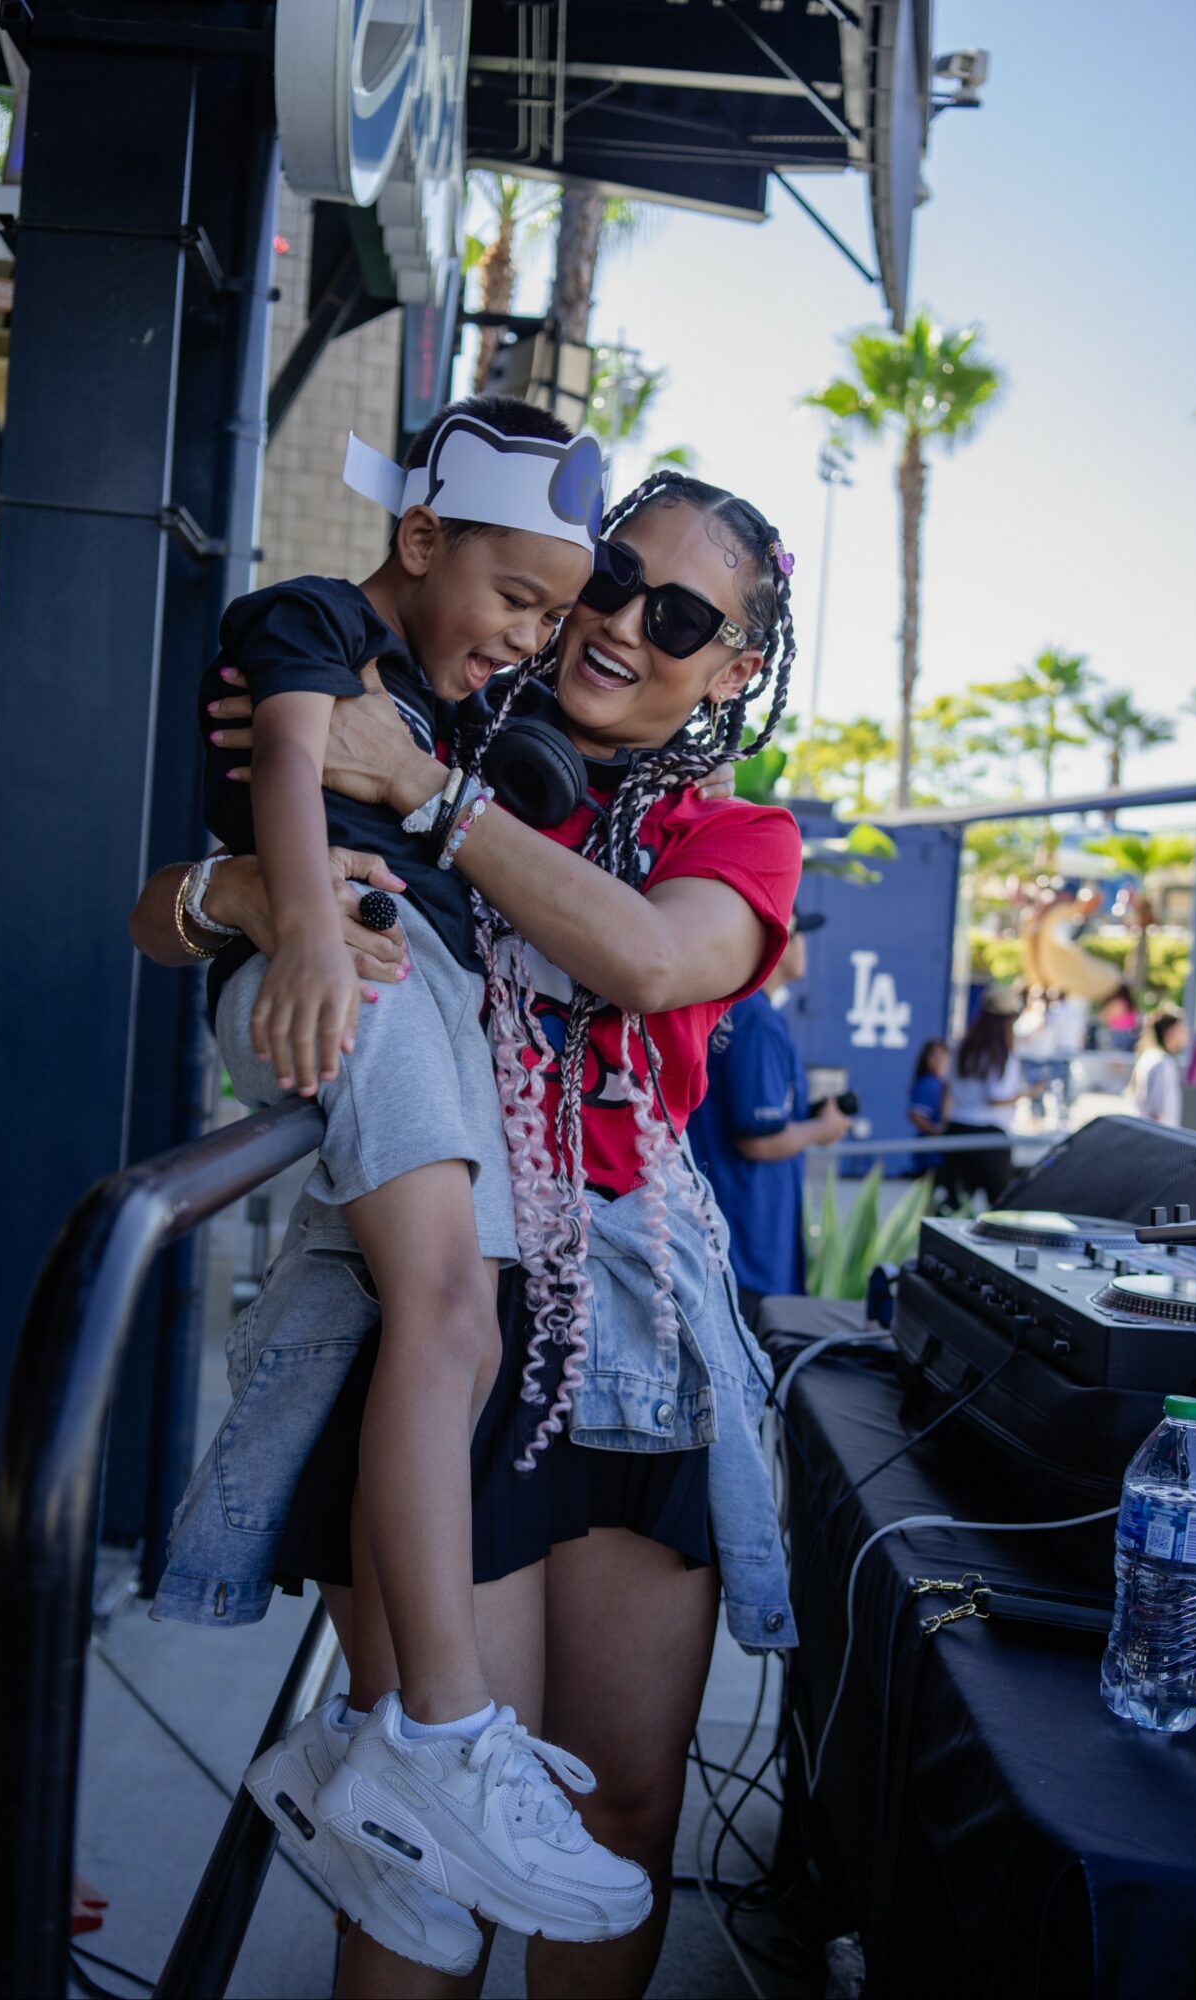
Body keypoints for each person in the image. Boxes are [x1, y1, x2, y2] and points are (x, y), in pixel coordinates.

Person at [132, 465, 803, 1994]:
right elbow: (156, 910)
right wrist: (249, 893)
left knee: (619, 1814)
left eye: (678, 616)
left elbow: (646, 959)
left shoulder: (736, 833)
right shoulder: (419, 697)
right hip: (437, 1313)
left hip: (635, 1333)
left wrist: (436, 798)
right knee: (424, 1863)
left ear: (733, 668)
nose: (619, 623)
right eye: (609, 579)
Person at [186, 391, 656, 1943]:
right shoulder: (316, 617)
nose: (526, 635)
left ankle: (355, 1742)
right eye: (512, 598)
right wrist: (309, 934)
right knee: (446, 1318)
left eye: (546, 615)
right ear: (418, 535)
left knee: (465, 1333)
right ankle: (442, 1734)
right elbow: (288, 758)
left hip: (427, 991)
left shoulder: (453, 713)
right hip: (362, 968)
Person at [686, 908, 850, 1329]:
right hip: (748, 1241)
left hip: (721, 1231)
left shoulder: (731, 1007)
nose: (805, 946)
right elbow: (758, 1140)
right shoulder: (757, 1019)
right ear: (778, 943)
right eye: (800, 935)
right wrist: (824, 1129)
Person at [943, 987, 1027, 1205]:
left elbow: (948, 1086)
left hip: (957, 1128)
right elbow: (997, 1097)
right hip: (989, 1134)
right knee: (1001, 1205)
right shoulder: (1001, 1053)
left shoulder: (961, 1045)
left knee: (954, 1204)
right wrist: (1026, 1093)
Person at [1131, 1005, 1189, 1127]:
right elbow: (1156, 1112)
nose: (1186, 1032)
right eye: (1181, 1028)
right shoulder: (1162, 1062)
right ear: (1170, 1031)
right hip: (1156, 1134)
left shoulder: (1150, 1056)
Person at [907, 1037, 950, 1179]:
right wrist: (937, 1133)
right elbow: (915, 1115)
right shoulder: (927, 1083)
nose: (938, 1061)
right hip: (929, 1158)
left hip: (941, 1157)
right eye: (934, 1057)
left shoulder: (942, 1083)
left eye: (942, 1057)